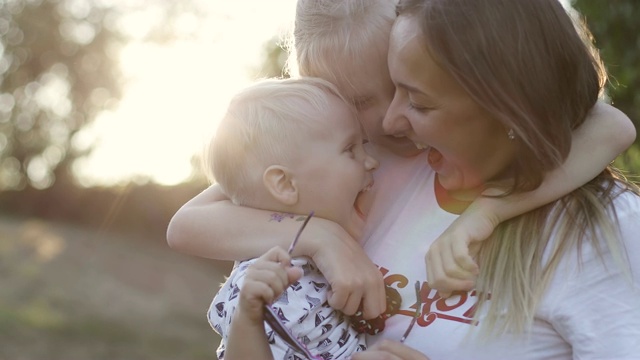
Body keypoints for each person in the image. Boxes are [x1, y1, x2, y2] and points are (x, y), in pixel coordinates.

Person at [167, 0, 639, 358]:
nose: (393, 120)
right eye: (359, 105)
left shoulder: (593, 228)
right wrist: (323, 236)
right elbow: (188, 223)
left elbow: (608, 125)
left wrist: (491, 210)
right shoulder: (360, 169)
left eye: (410, 93)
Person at [206, 77, 377, 360]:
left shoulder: (306, 264)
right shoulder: (273, 288)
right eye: (350, 149)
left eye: (365, 144)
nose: (372, 161)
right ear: (284, 184)